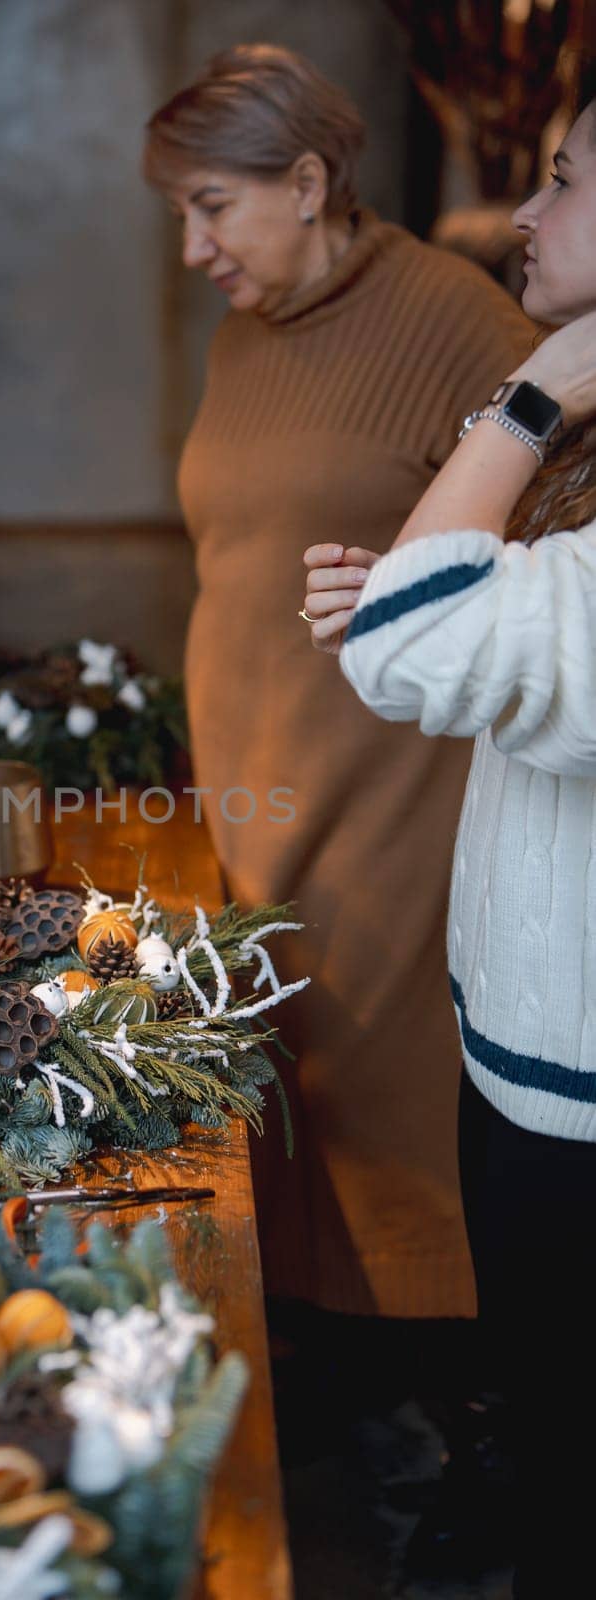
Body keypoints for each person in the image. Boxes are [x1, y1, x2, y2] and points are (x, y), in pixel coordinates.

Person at [143, 45, 533, 1333]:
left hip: (391, 803)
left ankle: (461, 1414)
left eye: (212, 206)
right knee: (285, 1078)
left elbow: (561, 537)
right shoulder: (241, 341)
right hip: (257, 771)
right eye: (181, 211)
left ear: (307, 181)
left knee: (386, 1090)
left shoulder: (454, 318)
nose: (194, 245)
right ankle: (327, 1374)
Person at [302, 81, 596, 1599]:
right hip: (533, 1062)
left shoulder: (561, 397)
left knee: (573, 1499)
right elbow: (438, 622)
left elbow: (409, 644)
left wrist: (539, 380)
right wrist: (430, 593)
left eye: (560, 181)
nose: (523, 218)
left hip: (580, 1118)